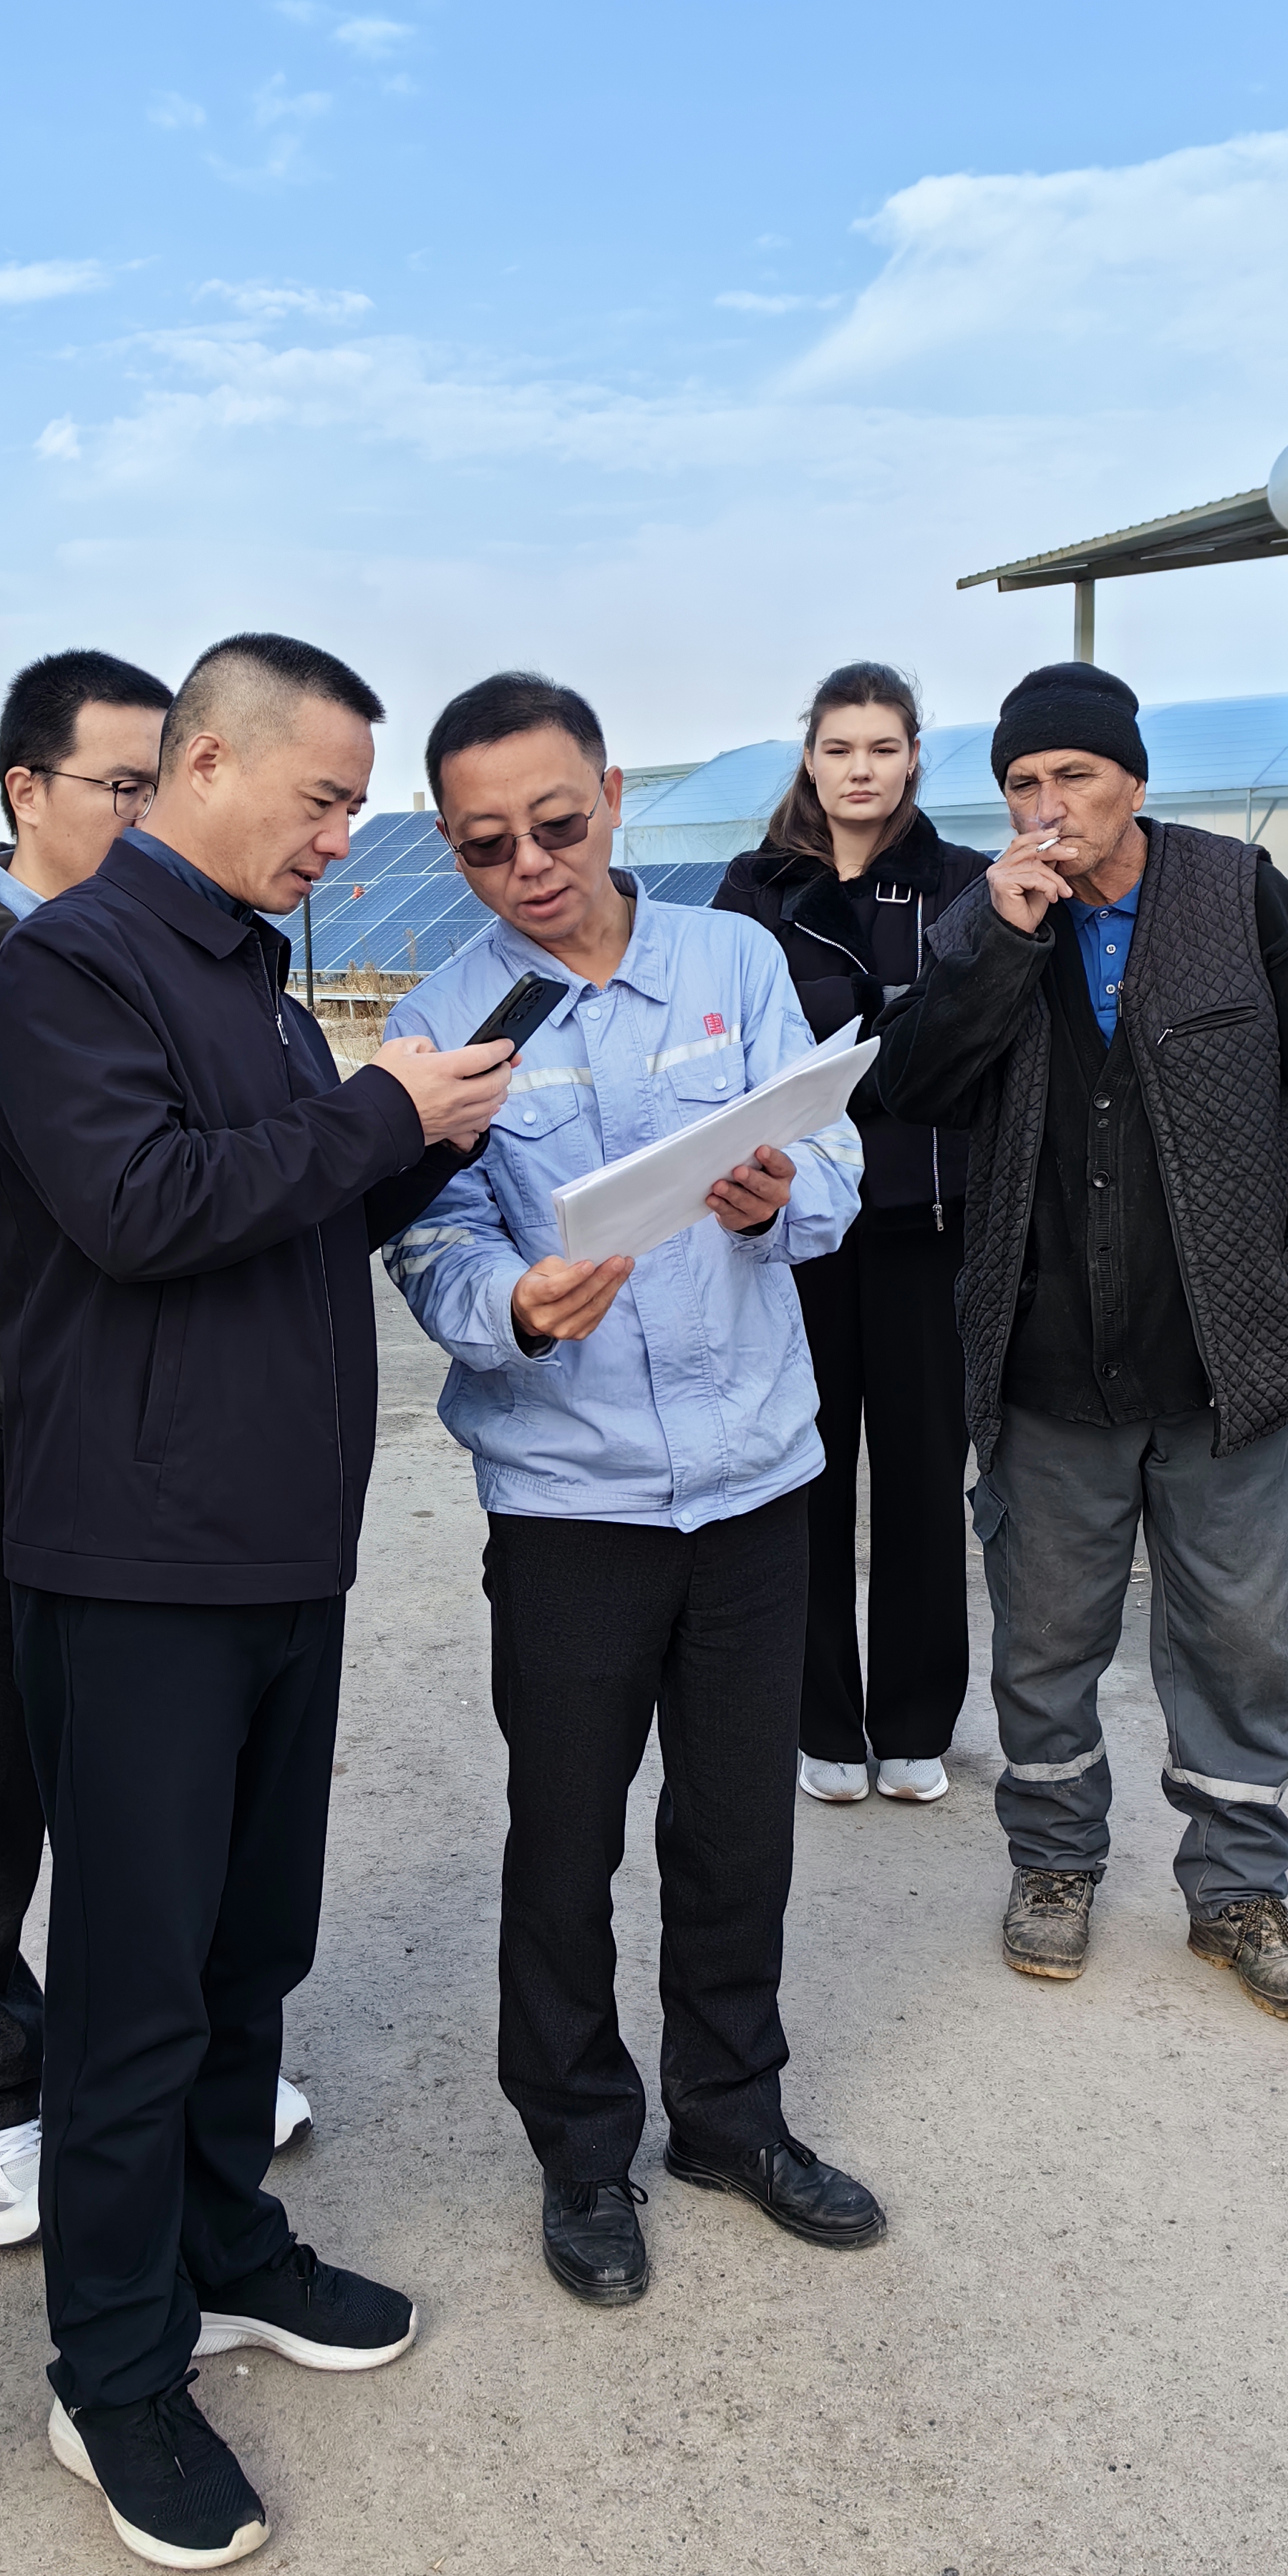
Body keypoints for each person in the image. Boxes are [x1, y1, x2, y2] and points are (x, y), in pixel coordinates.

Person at [0, 632, 515, 2572]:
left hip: (281, 1549)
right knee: (133, 1988)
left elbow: (284, 1215)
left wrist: (421, 1143)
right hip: (138, 1564)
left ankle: (224, 2246)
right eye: (324, 798)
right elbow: (139, 1208)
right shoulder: (72, 969)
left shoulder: (254, 980)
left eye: (356, 805)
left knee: (244, 1948)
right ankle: (112, 2371)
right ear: (205, 763)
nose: (343, 837)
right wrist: (379, 1114)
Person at [383, 671, 887, 2316]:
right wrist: (513, 1306)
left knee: (737, 1829)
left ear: (611, 794)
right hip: (570, 1500)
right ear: (451, 845)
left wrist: (775, 1196)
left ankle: (732, 2116)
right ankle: (583, 2147)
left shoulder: (732, 962)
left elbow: (833, 1157)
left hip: (753, 1480)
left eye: (557, 822)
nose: (530, 864)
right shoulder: (448, 1019)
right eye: (485, 844)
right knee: (565, 1836)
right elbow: (430, 1236)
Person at [0, 650, 303, 2240]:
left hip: (144, 1448)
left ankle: (149, 2064)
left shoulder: (191, 960)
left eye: (163, 782)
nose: (149, 812)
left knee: (145, 1785)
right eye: (120, 786)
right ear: (26, 789)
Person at [873, 662, 1288, 2017]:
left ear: (1135, 782)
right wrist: (999, 943)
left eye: (1076, 776)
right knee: (1046, 1641)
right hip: (1046, 1364)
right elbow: (913, 1084)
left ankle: (1239, 1891)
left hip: (1227, 1366)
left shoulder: (1240, 894)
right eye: (1022, 784)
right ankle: (1054, 1866)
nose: (1048, 806)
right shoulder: (987, 916)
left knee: (1241, 1644)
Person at [715, 663, 988, 1808]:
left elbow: (979, 1039)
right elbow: (728, 1047)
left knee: (923, 1481)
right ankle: (821, 1721)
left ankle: (916, 1724)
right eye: (840, 749)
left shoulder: (965, 883)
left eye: (882, 748)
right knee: (806, 1476)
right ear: (810, 758)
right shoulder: (757, 890)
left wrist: (878, 1048)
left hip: (929, 1224)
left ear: (914, 756)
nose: (860, 770)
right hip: (799, 1230)